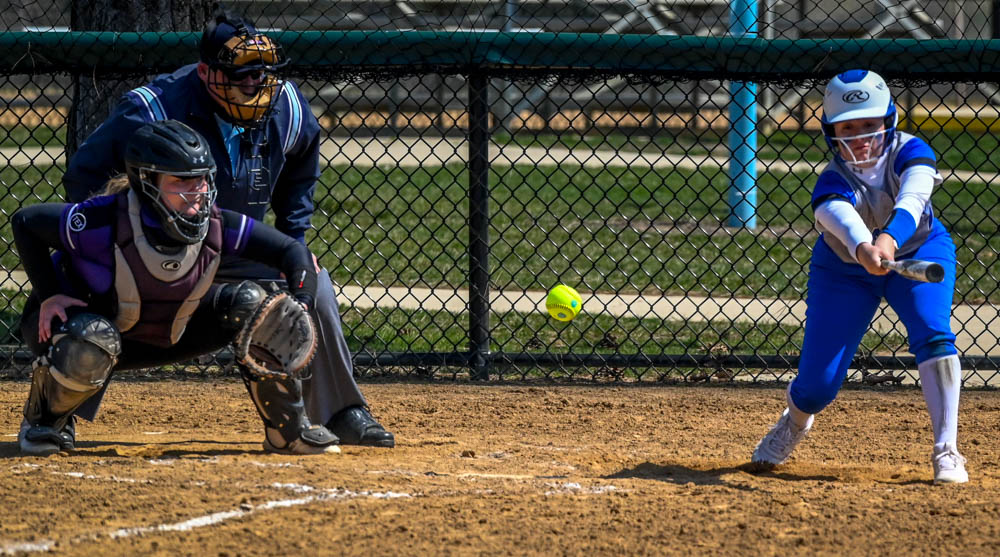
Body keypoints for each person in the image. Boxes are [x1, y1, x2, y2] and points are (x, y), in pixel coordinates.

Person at [61, 8, 393, 447]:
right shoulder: (154, 108)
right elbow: (83, 176)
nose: (255, 82)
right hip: (154, 248)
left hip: (233, 247)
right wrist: (114, 240)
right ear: (205, 72)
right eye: (242, 73)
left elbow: (301, 169)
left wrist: (292, 240)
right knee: (93, 296)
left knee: (313, 280)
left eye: (263, 72)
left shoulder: (287, 108)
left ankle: (341, 411)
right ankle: (58, 408)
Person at [16, 120, 341, 456]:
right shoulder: (101, 221)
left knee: (255, 304)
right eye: (181, 181)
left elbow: (292, 252)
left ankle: (288, 428)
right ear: (146, 181)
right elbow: (26, 222)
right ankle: (47, 421)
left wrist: (302, 301)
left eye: (201, 178)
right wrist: (49, 293)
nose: (196, 190)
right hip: (84, 335)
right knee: (91, 336)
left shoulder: (216, 224)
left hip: (167, 333)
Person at [750, 70, 967, 484]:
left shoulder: (911, 151)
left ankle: (947, 449)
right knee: (818, 387)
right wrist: (863, 248)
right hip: (844, 267)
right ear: (831, 132)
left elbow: (914, 197)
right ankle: (794, 420)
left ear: (889, 119)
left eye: (870, 124)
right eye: (848, 127)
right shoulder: (833, 178)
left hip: (919, 249)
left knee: (934, 333)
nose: (861, 137)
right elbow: (840, 217)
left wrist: (887, 239)